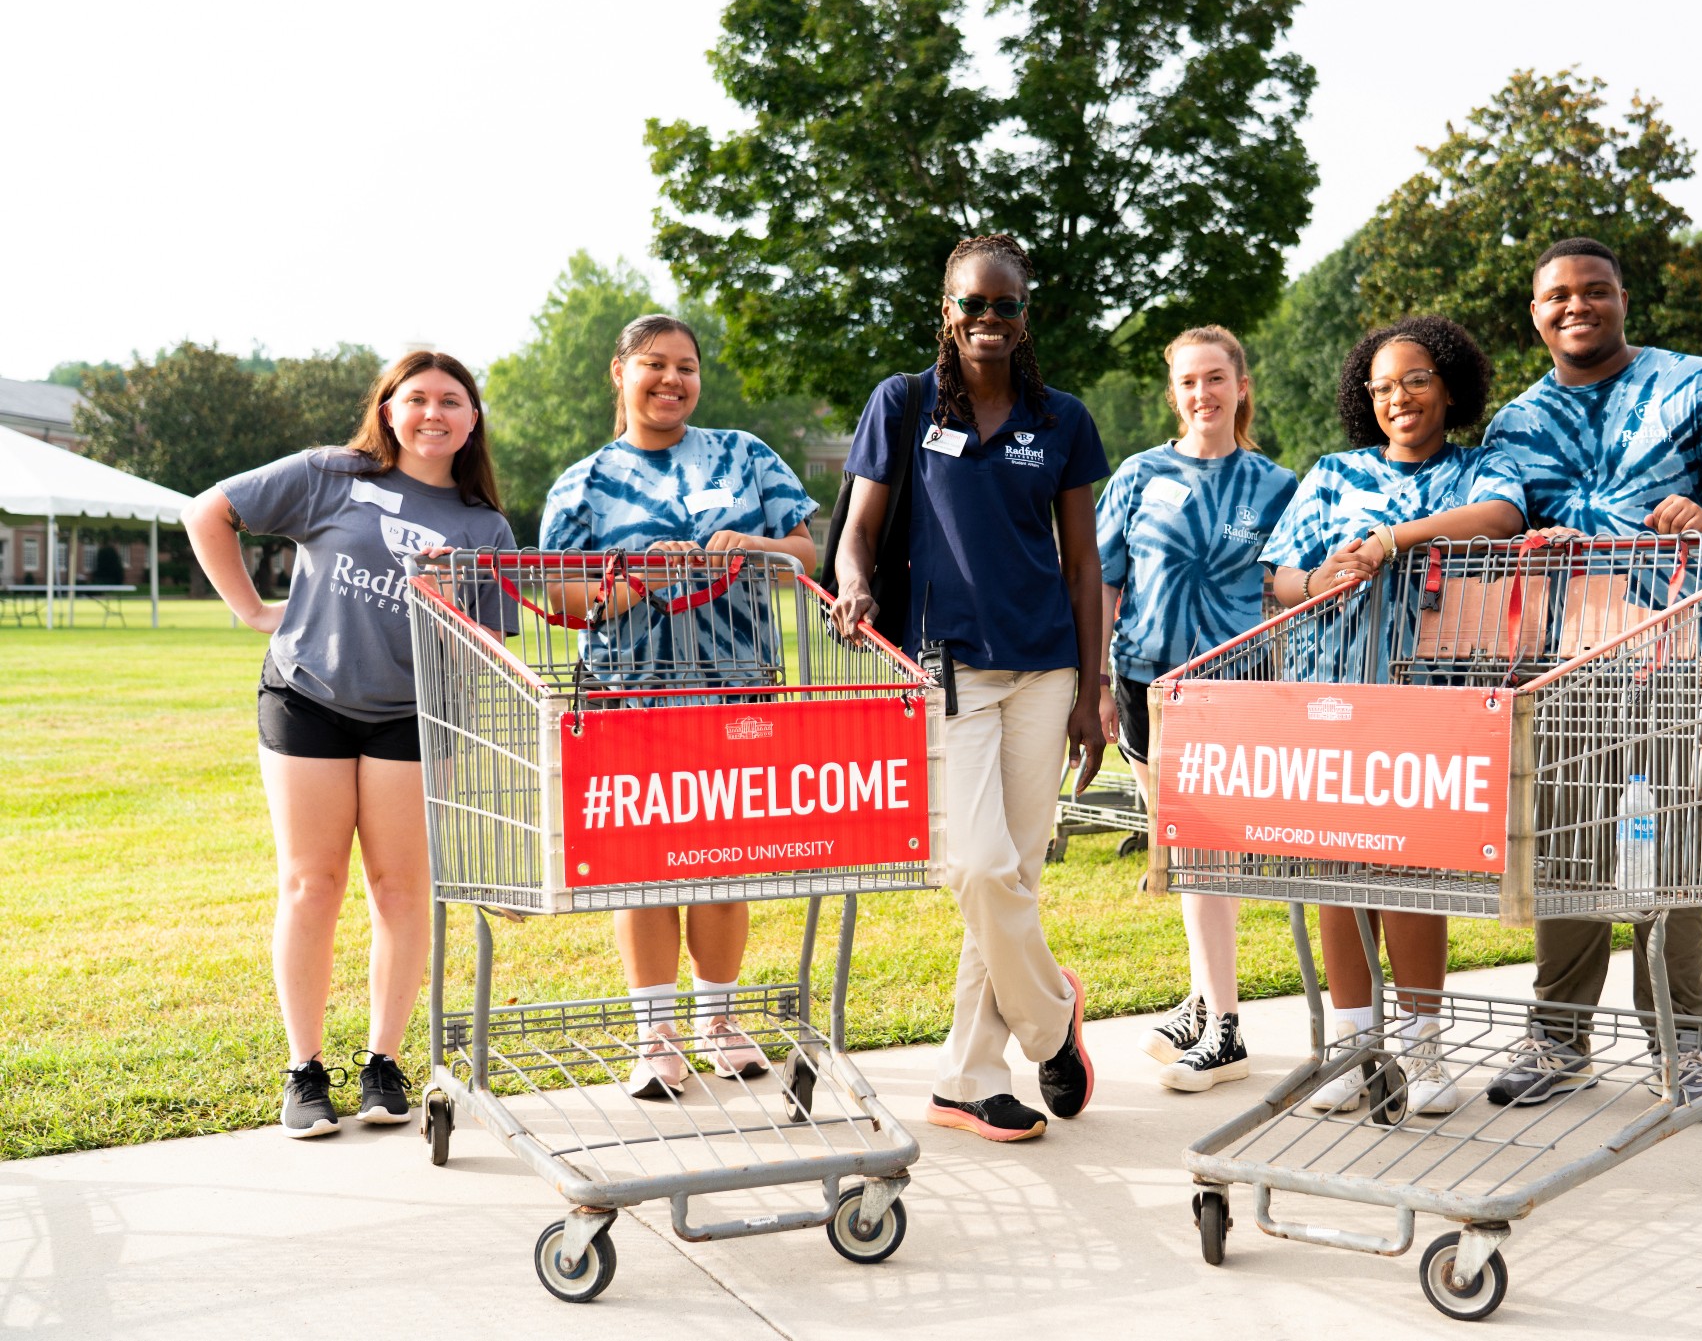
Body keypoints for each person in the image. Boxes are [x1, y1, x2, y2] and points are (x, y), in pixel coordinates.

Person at [1478, 235, 1702, 1110]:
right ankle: (1558, 1037)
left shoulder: (1696, 386)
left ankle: (1680, 1043)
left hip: (1681, 653)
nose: (1578, 305)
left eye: (1596, 290)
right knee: (1567, 847)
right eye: (1559, 295)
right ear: (1535, 314)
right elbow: (1500, 520)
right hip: (1567, 663)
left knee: (1671, 850)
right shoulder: (1516, 423)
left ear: (1622, 299)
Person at [183, 351, 516, 1138]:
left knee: (401, 890)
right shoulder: (331, 474)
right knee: (311, 883)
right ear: (389, 409)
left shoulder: (484, 524)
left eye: (453, 401)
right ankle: (304, 1071)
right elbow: (208, 510)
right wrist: (252, 610)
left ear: (473, 422)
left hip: (411, 717)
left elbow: (491, 641)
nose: (434, 412)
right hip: (308, 701)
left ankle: (381, 1063)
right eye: (418, 398)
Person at [829, 233, 1107, 1143]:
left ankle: (968, 1077)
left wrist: (1089, 690)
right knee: (977, 867)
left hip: (1046, 667)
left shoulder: (1062, 419)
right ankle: (1050, 1020)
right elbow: (858, 531)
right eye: (973, 304)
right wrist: (857, 582)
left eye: (1006, 305)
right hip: (946, 663)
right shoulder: (903, 402)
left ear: (1029, 316)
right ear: (945, 310)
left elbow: (1083, 563)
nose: (989, 319)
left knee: (1013, 876)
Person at [538, 313, 819, 1099]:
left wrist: (749, 545)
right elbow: (556, 589)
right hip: (631, 696)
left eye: (687, 367)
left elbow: (806, 553)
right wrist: (632, 584)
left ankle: (718, 1021)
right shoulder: (584, 481)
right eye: (655, 365)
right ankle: (655, 1033)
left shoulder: (745, 455)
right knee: (645, 870)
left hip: (739, 686)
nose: (672, 380)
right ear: (621, 373)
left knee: (726, 863)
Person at [1259, 316, 1525, 1114]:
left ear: (1448, 384)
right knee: (1336, 870)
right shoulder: (1333, 473)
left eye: (1413, 380)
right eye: (1380, 388)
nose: (1398, 398)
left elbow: (1504, 517)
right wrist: (1317, 584)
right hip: (1331, 693)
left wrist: (1390, 541)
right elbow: (1278, 570)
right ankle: (1351, 1048)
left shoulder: (1481, 467)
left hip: (1429, 700)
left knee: (1412, 871)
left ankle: (1423, 1051)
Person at [1094, 325, 1297, 1092]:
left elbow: (1290, 589)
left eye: (1216, 378)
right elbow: (1105, 582)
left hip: (1231, 690)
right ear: (1173, 393)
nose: (1203, 394)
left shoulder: (1277, 486)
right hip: (1145, 685)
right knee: (1182, 856)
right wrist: (1098, 685)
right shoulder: (1140, 474)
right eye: (1188, 382)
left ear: (1241, 385)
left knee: (1207, 852)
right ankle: (1202, 997)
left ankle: (1227, 1029)